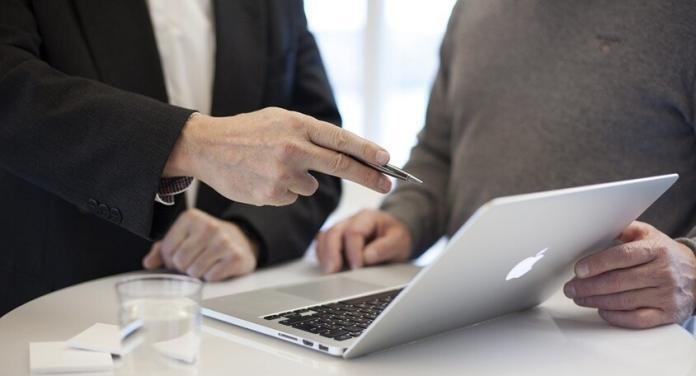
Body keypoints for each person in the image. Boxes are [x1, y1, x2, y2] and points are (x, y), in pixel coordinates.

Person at [316, 0, 696, 329]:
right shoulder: (471, 9)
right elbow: (439, 151)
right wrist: (404, 220)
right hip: (466, 324)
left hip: (622, 339)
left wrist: (691, 265)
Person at [0, 0, 394, 315]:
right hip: (51, 311)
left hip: (228, 316)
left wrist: (250, 233)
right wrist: (192, 143)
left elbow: (316, 152)